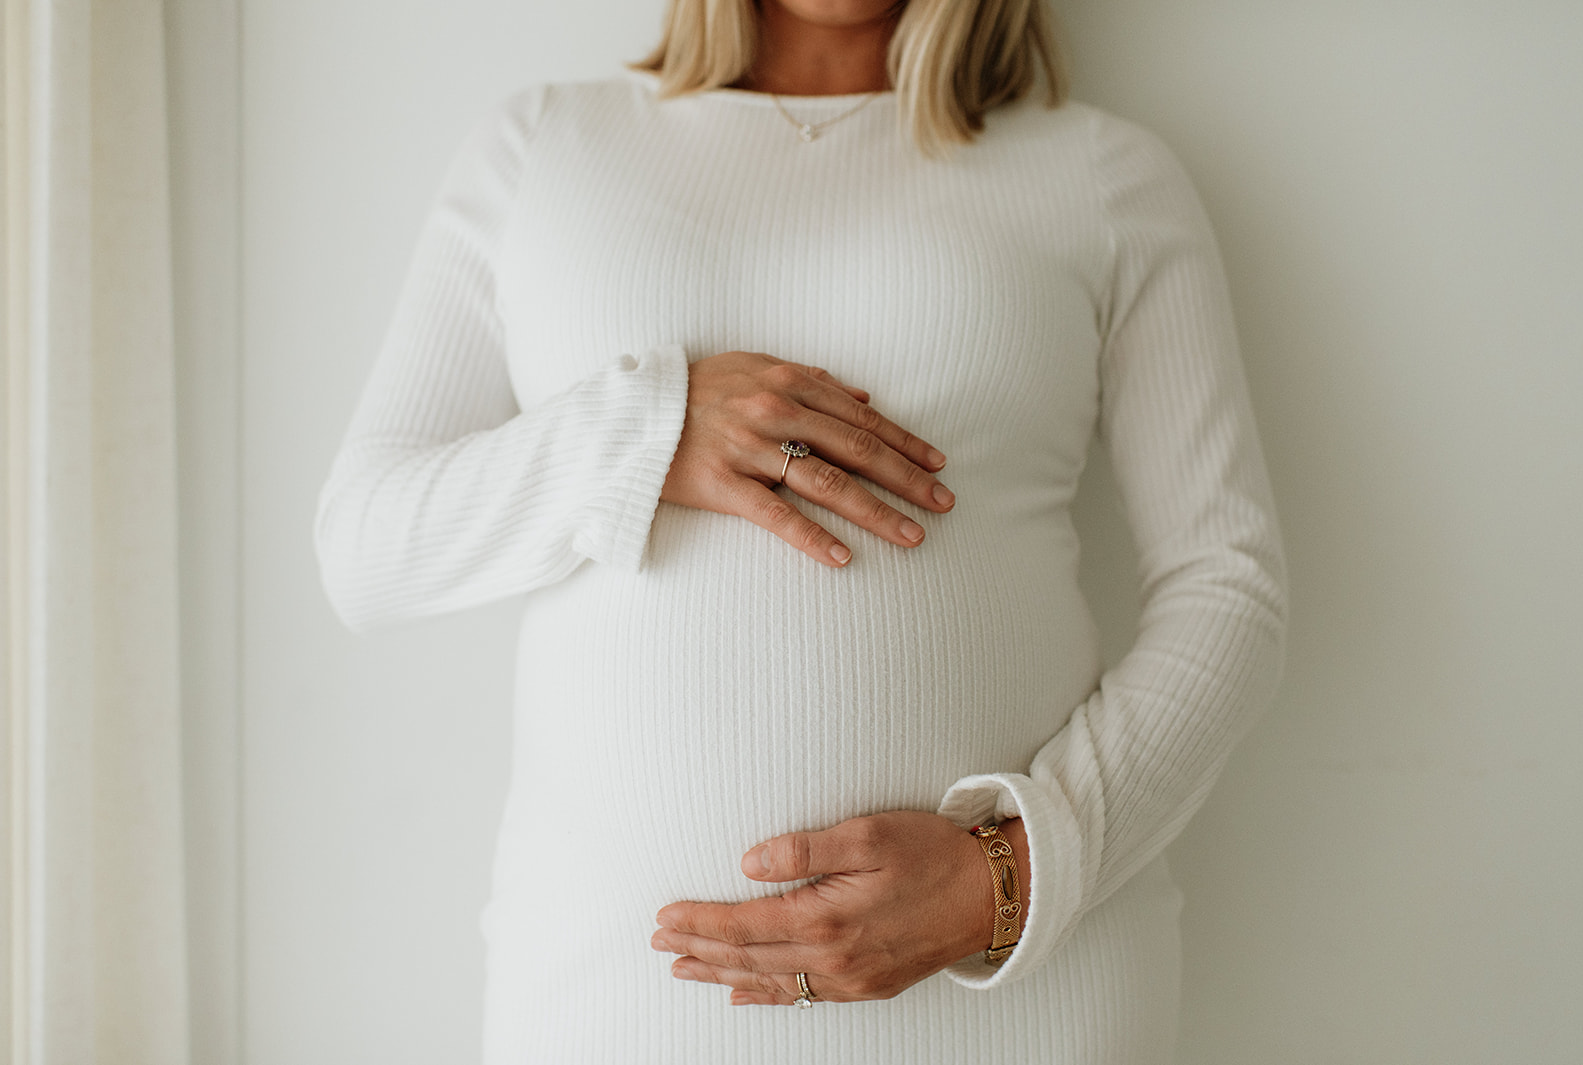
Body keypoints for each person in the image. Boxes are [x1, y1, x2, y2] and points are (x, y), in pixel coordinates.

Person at [314, 0, 1287, 1061]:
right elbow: (367, 548)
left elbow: (1226, 582)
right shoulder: (546, 144)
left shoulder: (1100, 174)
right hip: (616, 1002)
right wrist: (645, 432)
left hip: (1018, 998)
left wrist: (1005, 869)